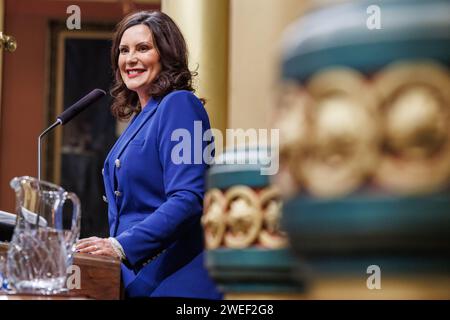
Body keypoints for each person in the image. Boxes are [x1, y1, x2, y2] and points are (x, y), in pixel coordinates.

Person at [75, 10, 222, 299]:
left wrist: (121, 246)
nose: (130, 59)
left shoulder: (181, 105)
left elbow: (189, 198)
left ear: (166, 54)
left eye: (143, 48)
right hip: (136, 277)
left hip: (175, 278)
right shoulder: (143, 117)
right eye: (124, 50)